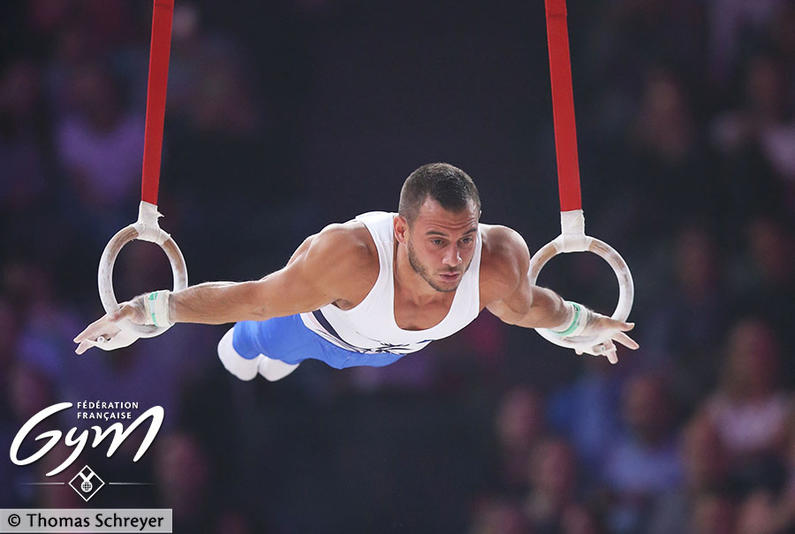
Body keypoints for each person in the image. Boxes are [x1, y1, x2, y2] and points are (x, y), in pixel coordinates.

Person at [74, 163, 638, 381]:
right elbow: (252, 296)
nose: (454, 259)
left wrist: (582, 326)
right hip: (311, 324)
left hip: (390, 351)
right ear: (401, 230)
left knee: (333, 360)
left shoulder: (496, 261)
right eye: (437, 241)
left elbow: (536, 308)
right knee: (246, 356)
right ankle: (252, 350)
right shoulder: (351, 259)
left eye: (465, 239)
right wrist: (149, 310)